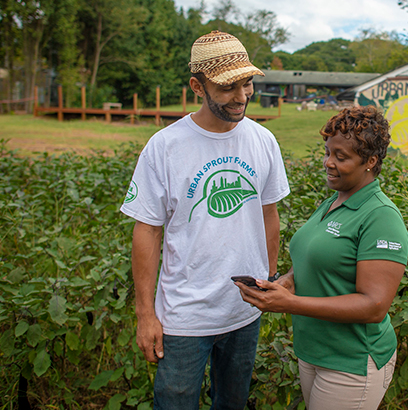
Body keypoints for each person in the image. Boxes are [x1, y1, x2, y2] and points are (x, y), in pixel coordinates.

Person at [120, 31, 290, 410]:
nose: (242, 96)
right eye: (228, 86)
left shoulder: (263, 141)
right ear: (198, 86)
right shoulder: (165, 147)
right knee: (175, 402)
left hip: (244, 310)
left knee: (232, 402)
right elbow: (146, 231)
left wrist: (269, 278)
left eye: (247, 83)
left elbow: (269, 214)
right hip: (184, 316)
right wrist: (146, 314)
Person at [236, 106, 408, 410]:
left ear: (370, 162)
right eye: (327, 152)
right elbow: (316, 262)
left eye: (341, 158)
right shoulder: (335, 200)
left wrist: (291, 304)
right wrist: (288, 282)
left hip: (351, 361)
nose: (329, 163)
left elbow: (374, 305)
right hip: (314, 352)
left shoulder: (381, 217)